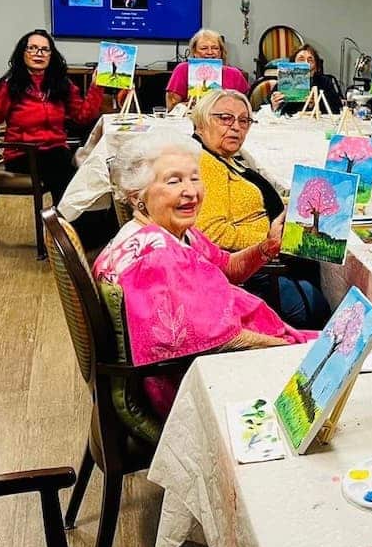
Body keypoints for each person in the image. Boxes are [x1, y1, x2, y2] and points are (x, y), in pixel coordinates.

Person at [98, 131, 315, 418]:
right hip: (204, 382)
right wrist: (291, 349)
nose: (191, 191)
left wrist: (269, 245)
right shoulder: (158, 258)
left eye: (194, 178)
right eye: (174, 181)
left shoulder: (169, 233)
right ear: (138, 196)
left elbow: (228, 268)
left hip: (235, 355)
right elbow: (223, 342)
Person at [191, 90, 330, 329]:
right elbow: (212, 234)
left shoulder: (227, 157)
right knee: (323, 304)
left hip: (269, 262)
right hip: (257, 276)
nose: (236, 127)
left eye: (244, 121)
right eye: (225, 118)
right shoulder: (207, 164)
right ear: (201, 122)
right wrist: (269, 240)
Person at [0, 29, 107, 207]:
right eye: (33, 48)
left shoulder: (62, 84)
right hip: (23, 154)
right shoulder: (10, 86)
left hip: (56, 151)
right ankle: (65, 224)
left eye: (45, 49)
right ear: (23, 53)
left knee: (85, 169)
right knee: (67, 172)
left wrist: (96, 86)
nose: (39, 53)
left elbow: (83, 117)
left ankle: (69, 222)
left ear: (51, 55)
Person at [164, 29, 250, 110]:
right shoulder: (182, 69)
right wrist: (188, 106)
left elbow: (246, 106)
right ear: (194, 51)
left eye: (215, 48)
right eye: (204, 48)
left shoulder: (235, 74)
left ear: (221, 51)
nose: (210, 52)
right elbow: (171, 106)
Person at [268, 43, 344, 115]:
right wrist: (275, 106)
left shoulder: (325, 82)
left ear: (316, 67)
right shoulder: (283, 82)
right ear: (293, 64)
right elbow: (271, 111)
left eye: (310, 60)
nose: (306, 63)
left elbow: (337, 109)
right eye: (301, 59)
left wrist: (316, 104)